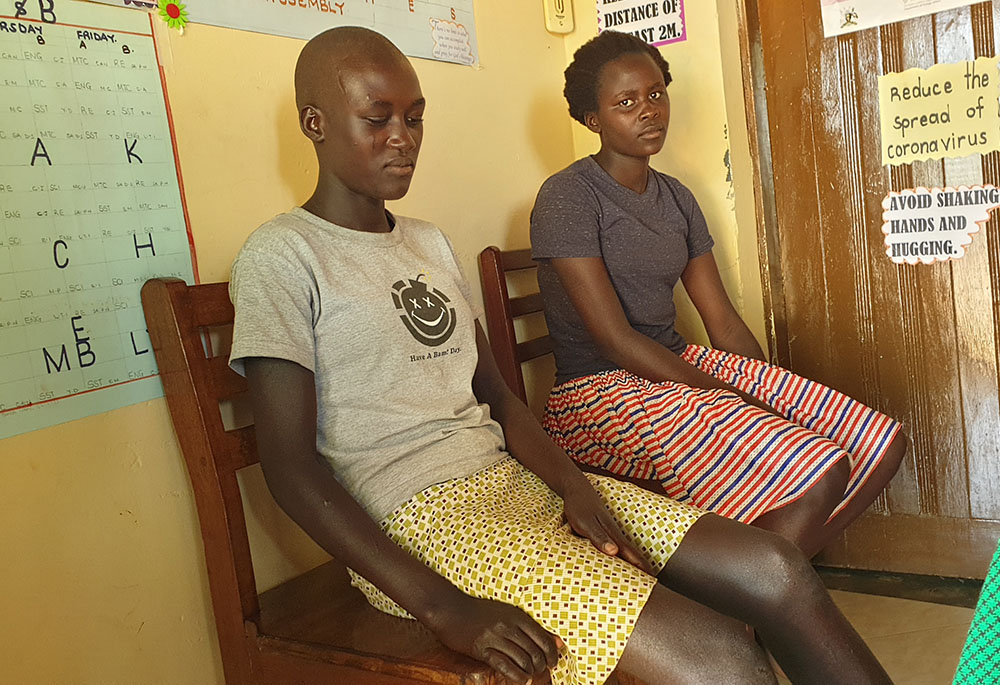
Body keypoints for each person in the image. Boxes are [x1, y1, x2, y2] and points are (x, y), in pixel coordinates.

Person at [229, 26, 891, 685]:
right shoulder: (283, 255)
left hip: (522, 482)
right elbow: (291, 470)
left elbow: (496, 395)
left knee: (777, 569)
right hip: (423, 521)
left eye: (414, 117)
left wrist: (574, 484)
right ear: (314, 123)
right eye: (377, 119)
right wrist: (443, 606)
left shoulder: (428, 244)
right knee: (723, 659)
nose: (402, 136)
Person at [530, 30, 907, 558]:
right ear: (594, 120)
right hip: (596, 393)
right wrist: (725, 394)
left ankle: (752, 596)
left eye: (656, 93)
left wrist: (768, 393)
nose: (648, 110)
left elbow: (723, 322)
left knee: (879, 444)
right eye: (625, 102)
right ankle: (756, 604)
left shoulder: (677, 198)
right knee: (820, 470)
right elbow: (614, 340)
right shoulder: (568, 195)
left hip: (674, 366)